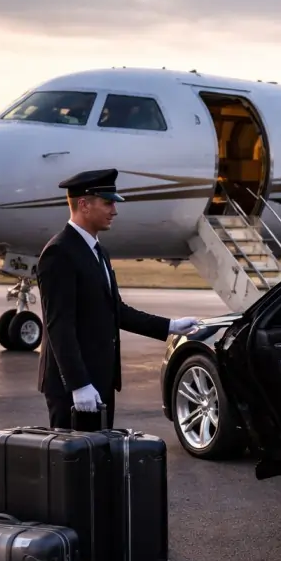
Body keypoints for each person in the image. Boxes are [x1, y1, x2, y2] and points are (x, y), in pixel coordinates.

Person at [36, 168, 201, 432]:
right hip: (74, 388)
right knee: (73, 466)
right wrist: (79, 385)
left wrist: (170, 326)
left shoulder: (98, 251)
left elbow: (116, 310)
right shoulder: (59, 252)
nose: (114, 210)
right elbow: (59, 326)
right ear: (83, 205)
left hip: (98, 381)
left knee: (99, 462)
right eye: (108, 202)